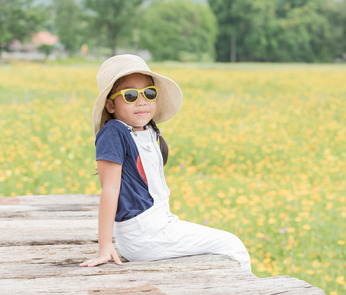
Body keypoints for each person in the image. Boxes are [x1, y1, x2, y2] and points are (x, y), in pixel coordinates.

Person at [80, 54, 251, 271]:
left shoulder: (149, 131)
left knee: (223, 247)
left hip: (158, 226)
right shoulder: (114, 132)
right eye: (130, 95)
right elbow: (110, 188)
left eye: (149, 93)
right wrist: (105, 245)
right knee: (232, 245)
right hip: (144, 233)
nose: (142, 101)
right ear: (111, 105)